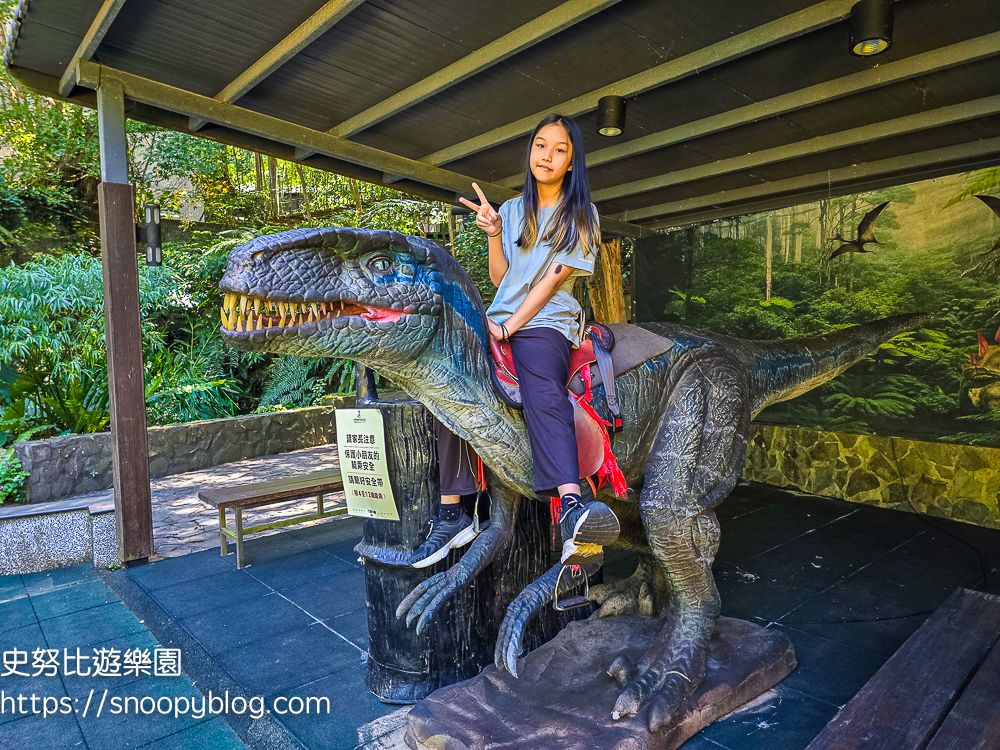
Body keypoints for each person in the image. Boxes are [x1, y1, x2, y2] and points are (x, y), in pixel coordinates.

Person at [408, 113, 620, 570]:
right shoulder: (510, 210)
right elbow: (503, 278)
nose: (546, 155)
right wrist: (493, 235)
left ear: (571, 163)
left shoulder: (581, 214)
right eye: (540, 145)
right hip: (500, 317)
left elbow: (550, 280)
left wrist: (510, 327)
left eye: (559, 149)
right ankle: (453, 511)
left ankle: (568, 504)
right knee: (450, 380)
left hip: (548, 321)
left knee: (543, 386)